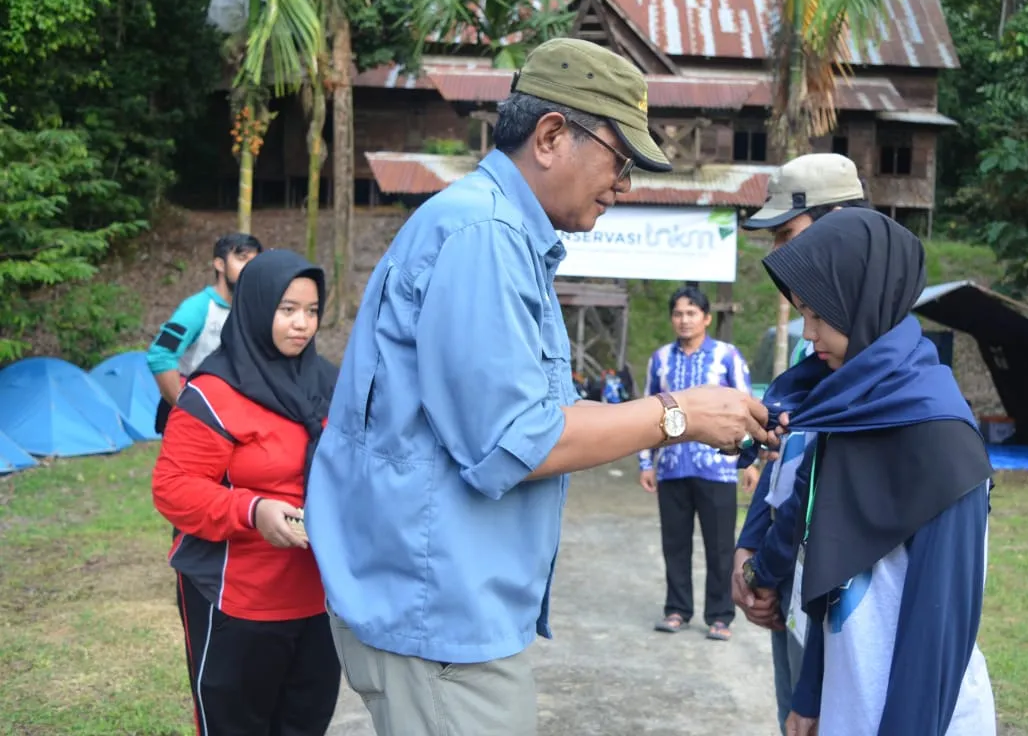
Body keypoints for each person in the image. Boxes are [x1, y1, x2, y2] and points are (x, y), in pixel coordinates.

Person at [304, 37, 776, 736]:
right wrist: (678, 414)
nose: (623, 186)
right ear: (552, 136)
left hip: (444, 604)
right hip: (439, 614)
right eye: (619, 160)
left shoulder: (500, 234)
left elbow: (540, 411)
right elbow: (516, 440)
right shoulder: (482, 236)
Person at [753, 208, 996, 736]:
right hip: (850, 700)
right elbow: (833, 565)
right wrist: (811, 691)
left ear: (863, 304)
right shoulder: (851, 409)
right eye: (802, 314)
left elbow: (935, 640)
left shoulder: (942, 442)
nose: (808, 334)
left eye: (819, 315)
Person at [151, 249, 340, 736]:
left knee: (305, 723)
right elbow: (173, 489)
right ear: (256, 307)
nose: (302, 324)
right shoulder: (213, 394)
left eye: (312, 310)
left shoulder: (330, 383)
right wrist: (252, 510)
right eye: (287, 309)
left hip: (320, 596)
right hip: (238, 598)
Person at [730, 153, 869, 731]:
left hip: (840, 613)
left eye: (787, 236)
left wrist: (760, 571)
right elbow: (785, 460)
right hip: (788, 591)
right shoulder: (810, 355)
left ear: (839, 227)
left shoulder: (875, 363)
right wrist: (749, 552)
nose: (779, 260)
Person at [638, 286, 758, 642]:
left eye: (691, 313)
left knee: (720, 546)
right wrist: (646, 462)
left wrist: (749, 461)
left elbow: (746, 408)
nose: (684, 320)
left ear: (706, 318)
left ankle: (720, 616)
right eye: (678, 313)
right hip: (672, 466)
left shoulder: (727, 356)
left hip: (717, 468)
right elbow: (646, 411)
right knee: (674, 543)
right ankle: (677, 610)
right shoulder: (660, 359)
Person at [147, 232, 263, 434]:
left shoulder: (254, 309)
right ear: (219, 264)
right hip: (195, 418)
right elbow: (160, 354)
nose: (249, 268)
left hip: (236, 414)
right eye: (242, 259)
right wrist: (187, 408)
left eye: (254, 262)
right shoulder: (197, 308)